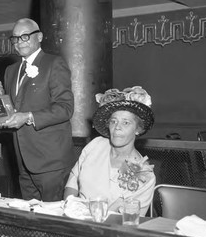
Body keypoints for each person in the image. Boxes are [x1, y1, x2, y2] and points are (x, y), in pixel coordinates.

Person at [0, 18, 76, 201]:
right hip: (22, 160)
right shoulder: (11, 70)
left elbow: (65, 108)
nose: (19, 42)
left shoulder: (54, 63)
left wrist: (28, 117)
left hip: (51, 161)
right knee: (30, 218)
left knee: (52, 218)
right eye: (15, 38)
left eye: (25, 36)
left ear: (39, 37)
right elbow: (11, 109)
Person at [64, 86, 156, 215]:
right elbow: (73, 181)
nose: (117, 127)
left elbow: (131, 219)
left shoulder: (144, 174)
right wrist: (70, 209)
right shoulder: (95, 145)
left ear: (138, 129)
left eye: (126, 123)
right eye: (113, 121)